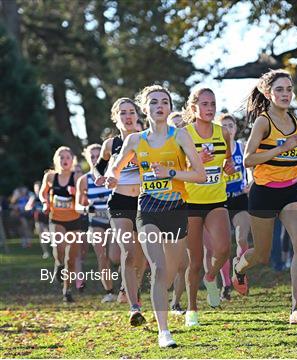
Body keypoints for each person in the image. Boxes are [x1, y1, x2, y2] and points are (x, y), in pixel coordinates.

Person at [105, 84, 205, 347]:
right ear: (145, 109)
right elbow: (114, 170)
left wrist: (171, 174)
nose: (159, 106)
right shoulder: (135, 140)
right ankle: (164, 332)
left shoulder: (180, 136)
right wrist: (111, 177)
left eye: (164, 102)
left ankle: (162, 304)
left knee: (170, 271)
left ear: (170, 107)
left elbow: (200, 175)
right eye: (153, 102)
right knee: (159, 268)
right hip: (147, 209)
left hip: (175, 209)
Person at [232, 69, 297, 326]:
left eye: (288, 90)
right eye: (279, 90)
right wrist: (281, 148)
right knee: (261, 254)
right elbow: (248, 160)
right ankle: (239, 267)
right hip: (264, 192)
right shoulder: (263, 122)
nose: (285, 94)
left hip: (290, 190)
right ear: (268, 93)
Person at [182, 88, 235, 324]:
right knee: (194, 260)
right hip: (190, 202)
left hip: (216, 200)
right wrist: (195, 163)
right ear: (193, 108)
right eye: (204, 104)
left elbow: (229, 160)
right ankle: (192, 309)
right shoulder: (183, 134)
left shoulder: (223, 133)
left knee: (224, 249)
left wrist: (229, 167)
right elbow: (176, 168)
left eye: (212, 103)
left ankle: (211, 277)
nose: (210, 108)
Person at [94, 98, 147, 323]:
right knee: (129, 252)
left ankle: (129, 287)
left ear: (137, 115)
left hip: (145, 202)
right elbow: (98, 167)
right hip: (119, 203)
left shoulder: (146, 140)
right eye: (123, 113)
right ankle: (134, 307)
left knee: (143, 257)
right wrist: (101, 178)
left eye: (131, 112)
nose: (128, 116)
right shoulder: (111, 144)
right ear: (116, 118)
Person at [39, 146, 82, 302]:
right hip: (56, 218)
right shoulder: (50, 177)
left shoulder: (77, 177)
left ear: (72, 160)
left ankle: (67, 289)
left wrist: (75, 193)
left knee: (71, 259)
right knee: (60, 250)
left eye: (67, 157)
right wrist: (45, 202)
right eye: (61, 157)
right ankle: (58, 264)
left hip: (74, 220)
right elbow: (43, 192)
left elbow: (84, 198)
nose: (64, 160)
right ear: (56, 160)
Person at [216, 113, 251, 300]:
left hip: (239, 199)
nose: (227, 129)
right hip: (220, 200)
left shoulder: (242, 147)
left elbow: (253, 167)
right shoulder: (214, 150)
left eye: (230, 125)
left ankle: (240, 272)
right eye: (223, 126)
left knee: (242, 239)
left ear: (235, 128)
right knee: (223, 246)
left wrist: (250, 184)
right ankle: (226, 285)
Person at [76, 144, 116, 302]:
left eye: (97, 156)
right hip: (96, 220)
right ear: (87, 158)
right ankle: (109, 291)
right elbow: (78, 206)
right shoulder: (83, 180)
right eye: (91, 156)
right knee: (102, 256)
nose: (95, 159)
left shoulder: (113, 175)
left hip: (115, 218)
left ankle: (126, 286)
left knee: (116, 256)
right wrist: (86, 207)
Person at [26, 181, 51, 259]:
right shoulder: (33, 197)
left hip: (48, 218)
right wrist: (31, 207)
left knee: (48, 233)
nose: (37, 190)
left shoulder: (47, 196)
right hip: (38, 218)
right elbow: (27, 207)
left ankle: (55, 250)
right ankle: (46, 252)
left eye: (39, 188)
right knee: (42, 235)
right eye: (36, 188)